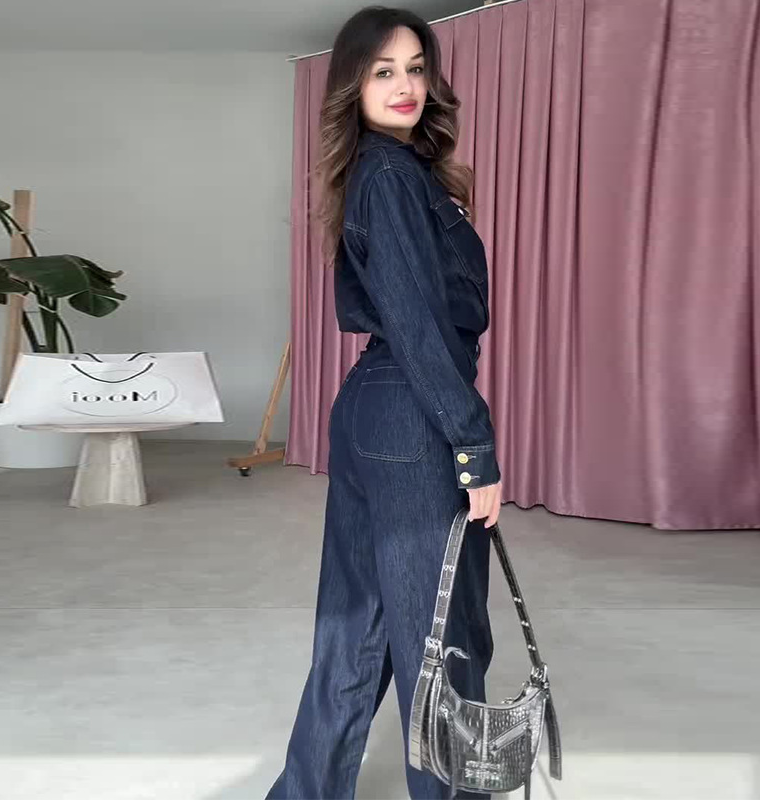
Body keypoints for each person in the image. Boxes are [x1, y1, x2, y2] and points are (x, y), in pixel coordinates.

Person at [266, 6, 503, 799]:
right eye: (383, 71)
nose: (405, 85)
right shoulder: (394, 177)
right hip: (412, 415)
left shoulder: (383, 171)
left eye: (415, 68)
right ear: (353, 85)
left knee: (354, 632)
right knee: (444, 642)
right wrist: (474, 447)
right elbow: (419, 325)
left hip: (374, 409)